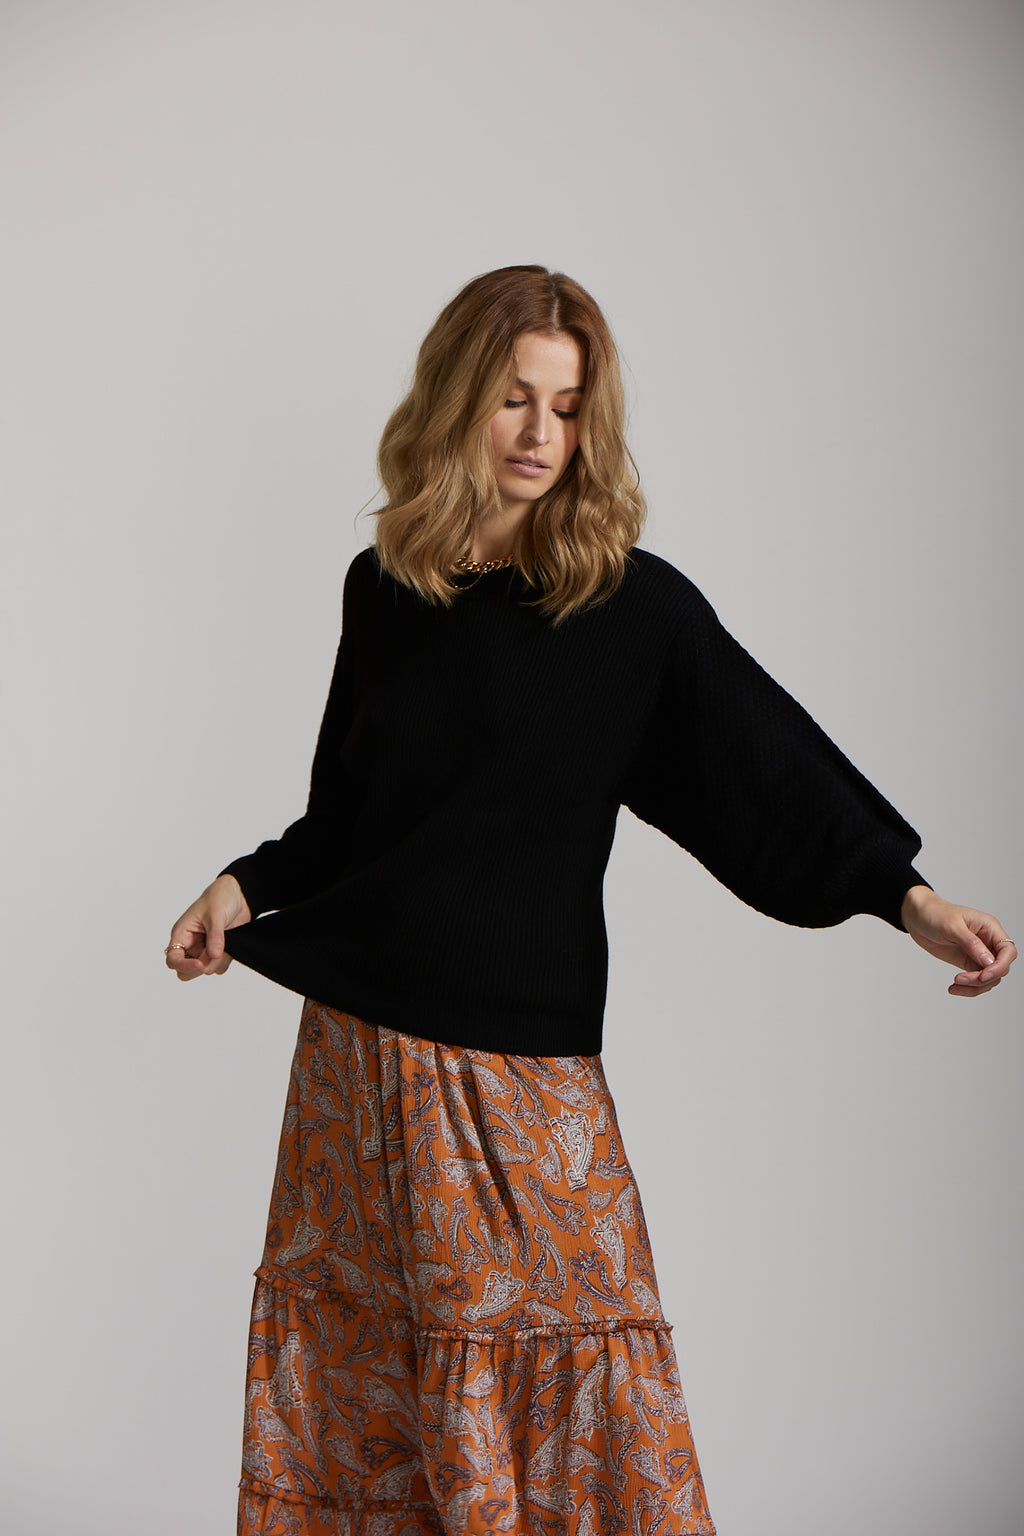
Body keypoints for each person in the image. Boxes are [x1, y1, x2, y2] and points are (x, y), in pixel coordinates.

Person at [165, 265, 1016, 1536]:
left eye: (565, 409)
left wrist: (908, 899)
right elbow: (346, 822)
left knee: (585, 1374)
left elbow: (764, 773)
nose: (538, 434)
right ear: (456, 400)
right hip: (355, 1063)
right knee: (372, 1386)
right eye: (514, 398)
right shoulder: (383, 589)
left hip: (518, 1074)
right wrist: (238, 888)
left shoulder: (628, 605)